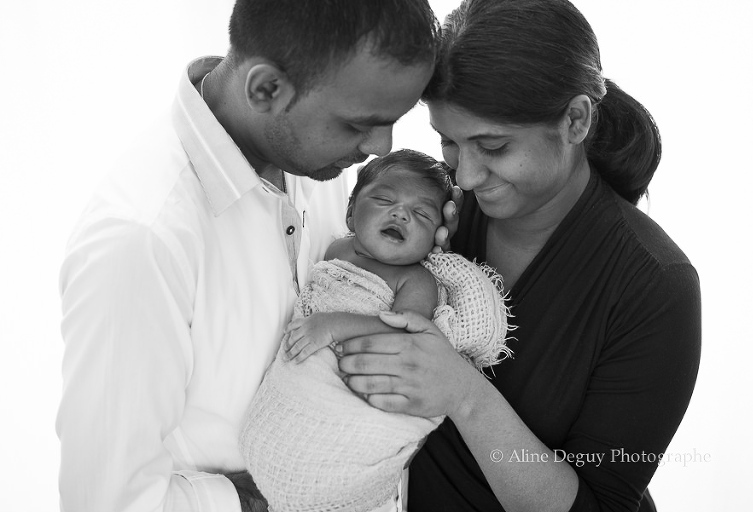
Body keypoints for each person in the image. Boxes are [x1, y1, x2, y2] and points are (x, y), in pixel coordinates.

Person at [56, 2, 451, 511]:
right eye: (360, 125)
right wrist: (271, 500)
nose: (380, 146)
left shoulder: (316, 162)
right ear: (266, 89)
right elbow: (103, 501)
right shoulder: (143, 239)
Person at [334, 1, 702, 511]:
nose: (465, 176)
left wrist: (463, 393)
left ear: (575, 120)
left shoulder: (655, 284)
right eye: (450, 143)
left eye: (494, 146)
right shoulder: (435, 222)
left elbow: (599, 505)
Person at [238, 150, 510, 512]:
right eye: (384, 200)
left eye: (422, 214)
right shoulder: (336, 249)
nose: (401, 214)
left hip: (360, 382)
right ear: (351, 211)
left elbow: (405, 337)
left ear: (436, 237)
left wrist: (334, 326)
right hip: (302, 381)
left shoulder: (415, 279)